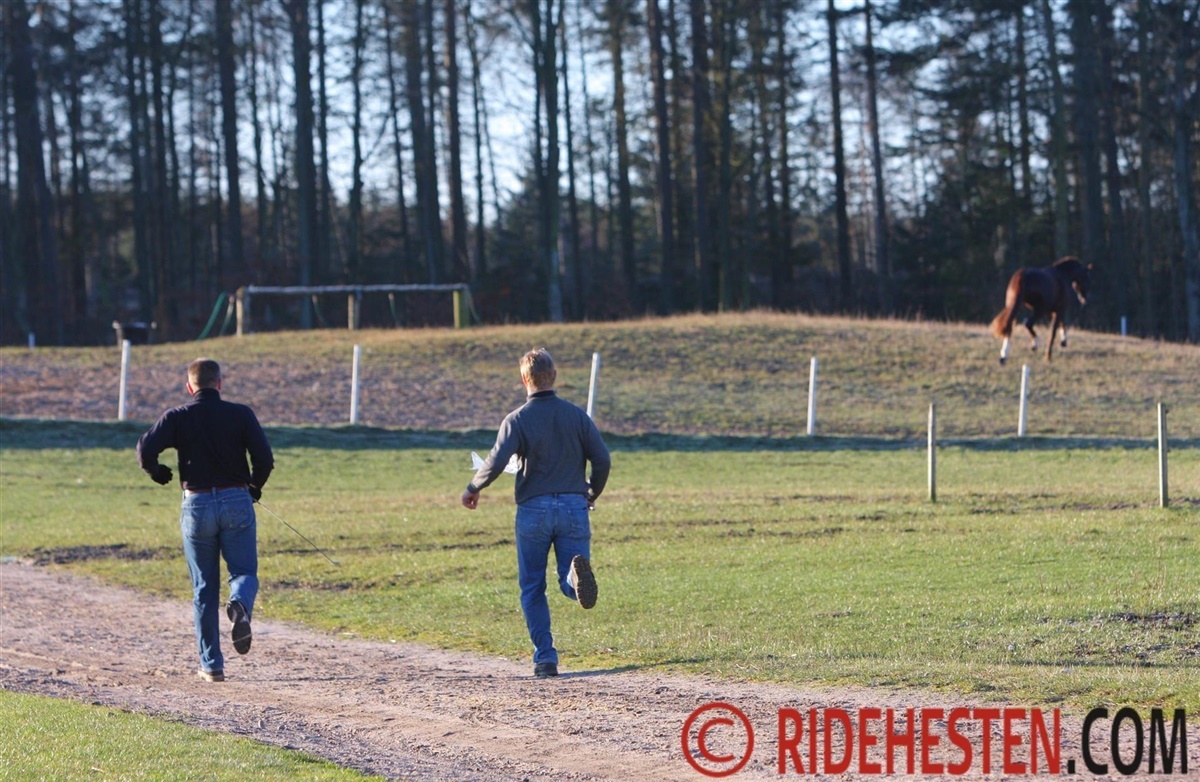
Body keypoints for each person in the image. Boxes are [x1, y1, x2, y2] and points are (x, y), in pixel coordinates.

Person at [462, 348, 611, 679]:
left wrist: (473, 487)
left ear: (523, 379)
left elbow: (496, 460)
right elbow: (602, 459)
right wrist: (591, 493)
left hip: (533, 509)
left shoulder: (517, 419)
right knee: (568, 576)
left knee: (532, 586)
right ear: (554, 376)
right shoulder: (577, 416)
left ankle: (545, 657)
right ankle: (574, 580)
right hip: (573, 505)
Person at [136, 358, 274, 683]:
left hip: (196, 503)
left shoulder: (177, 416)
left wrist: (157, 472)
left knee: (204, 588)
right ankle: (239, 603)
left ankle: (211, 665)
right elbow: (264, 458)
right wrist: (254, 486)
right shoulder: (241, 414)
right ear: (220, 383)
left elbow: (145, 450)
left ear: (189, 387)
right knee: (243, 572)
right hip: (236, 499)